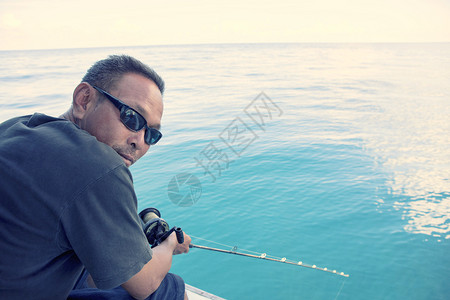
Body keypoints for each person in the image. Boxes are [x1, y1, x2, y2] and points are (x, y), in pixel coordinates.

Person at [0, 55, 191, 300]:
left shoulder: (17, 128)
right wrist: (170, 244)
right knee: (168, 290)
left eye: (152, 134)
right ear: (84, 100)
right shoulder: (98, 165)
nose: (140, 141)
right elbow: (145, 284)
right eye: (132, 118)